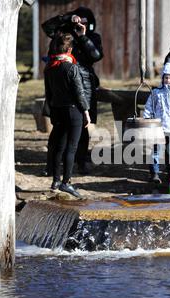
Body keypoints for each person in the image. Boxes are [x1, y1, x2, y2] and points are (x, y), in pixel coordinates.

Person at [42, 6, 103, 175]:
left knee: (82, 126)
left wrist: (83, 37)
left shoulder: (92, 37)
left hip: (84, 85)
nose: (80, 25)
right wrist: (67, 18)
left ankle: (81, 162)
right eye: (78, 21)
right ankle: (51, 166)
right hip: (60, 83)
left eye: (84, 22)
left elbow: (96, 55)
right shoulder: (63, 34)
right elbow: (46, 27)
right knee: (58, 127)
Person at [44, 33, 91, 197]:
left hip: (58, 110)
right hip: (73, 111)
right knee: (71, 148)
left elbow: (48, 93)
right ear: (69, 49)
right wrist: (86, 111)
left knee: (60, 146)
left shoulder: (50, 67)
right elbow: (79, 93)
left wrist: (51, 111)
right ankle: (66, 182)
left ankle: (56, 180)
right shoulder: (72, 68)